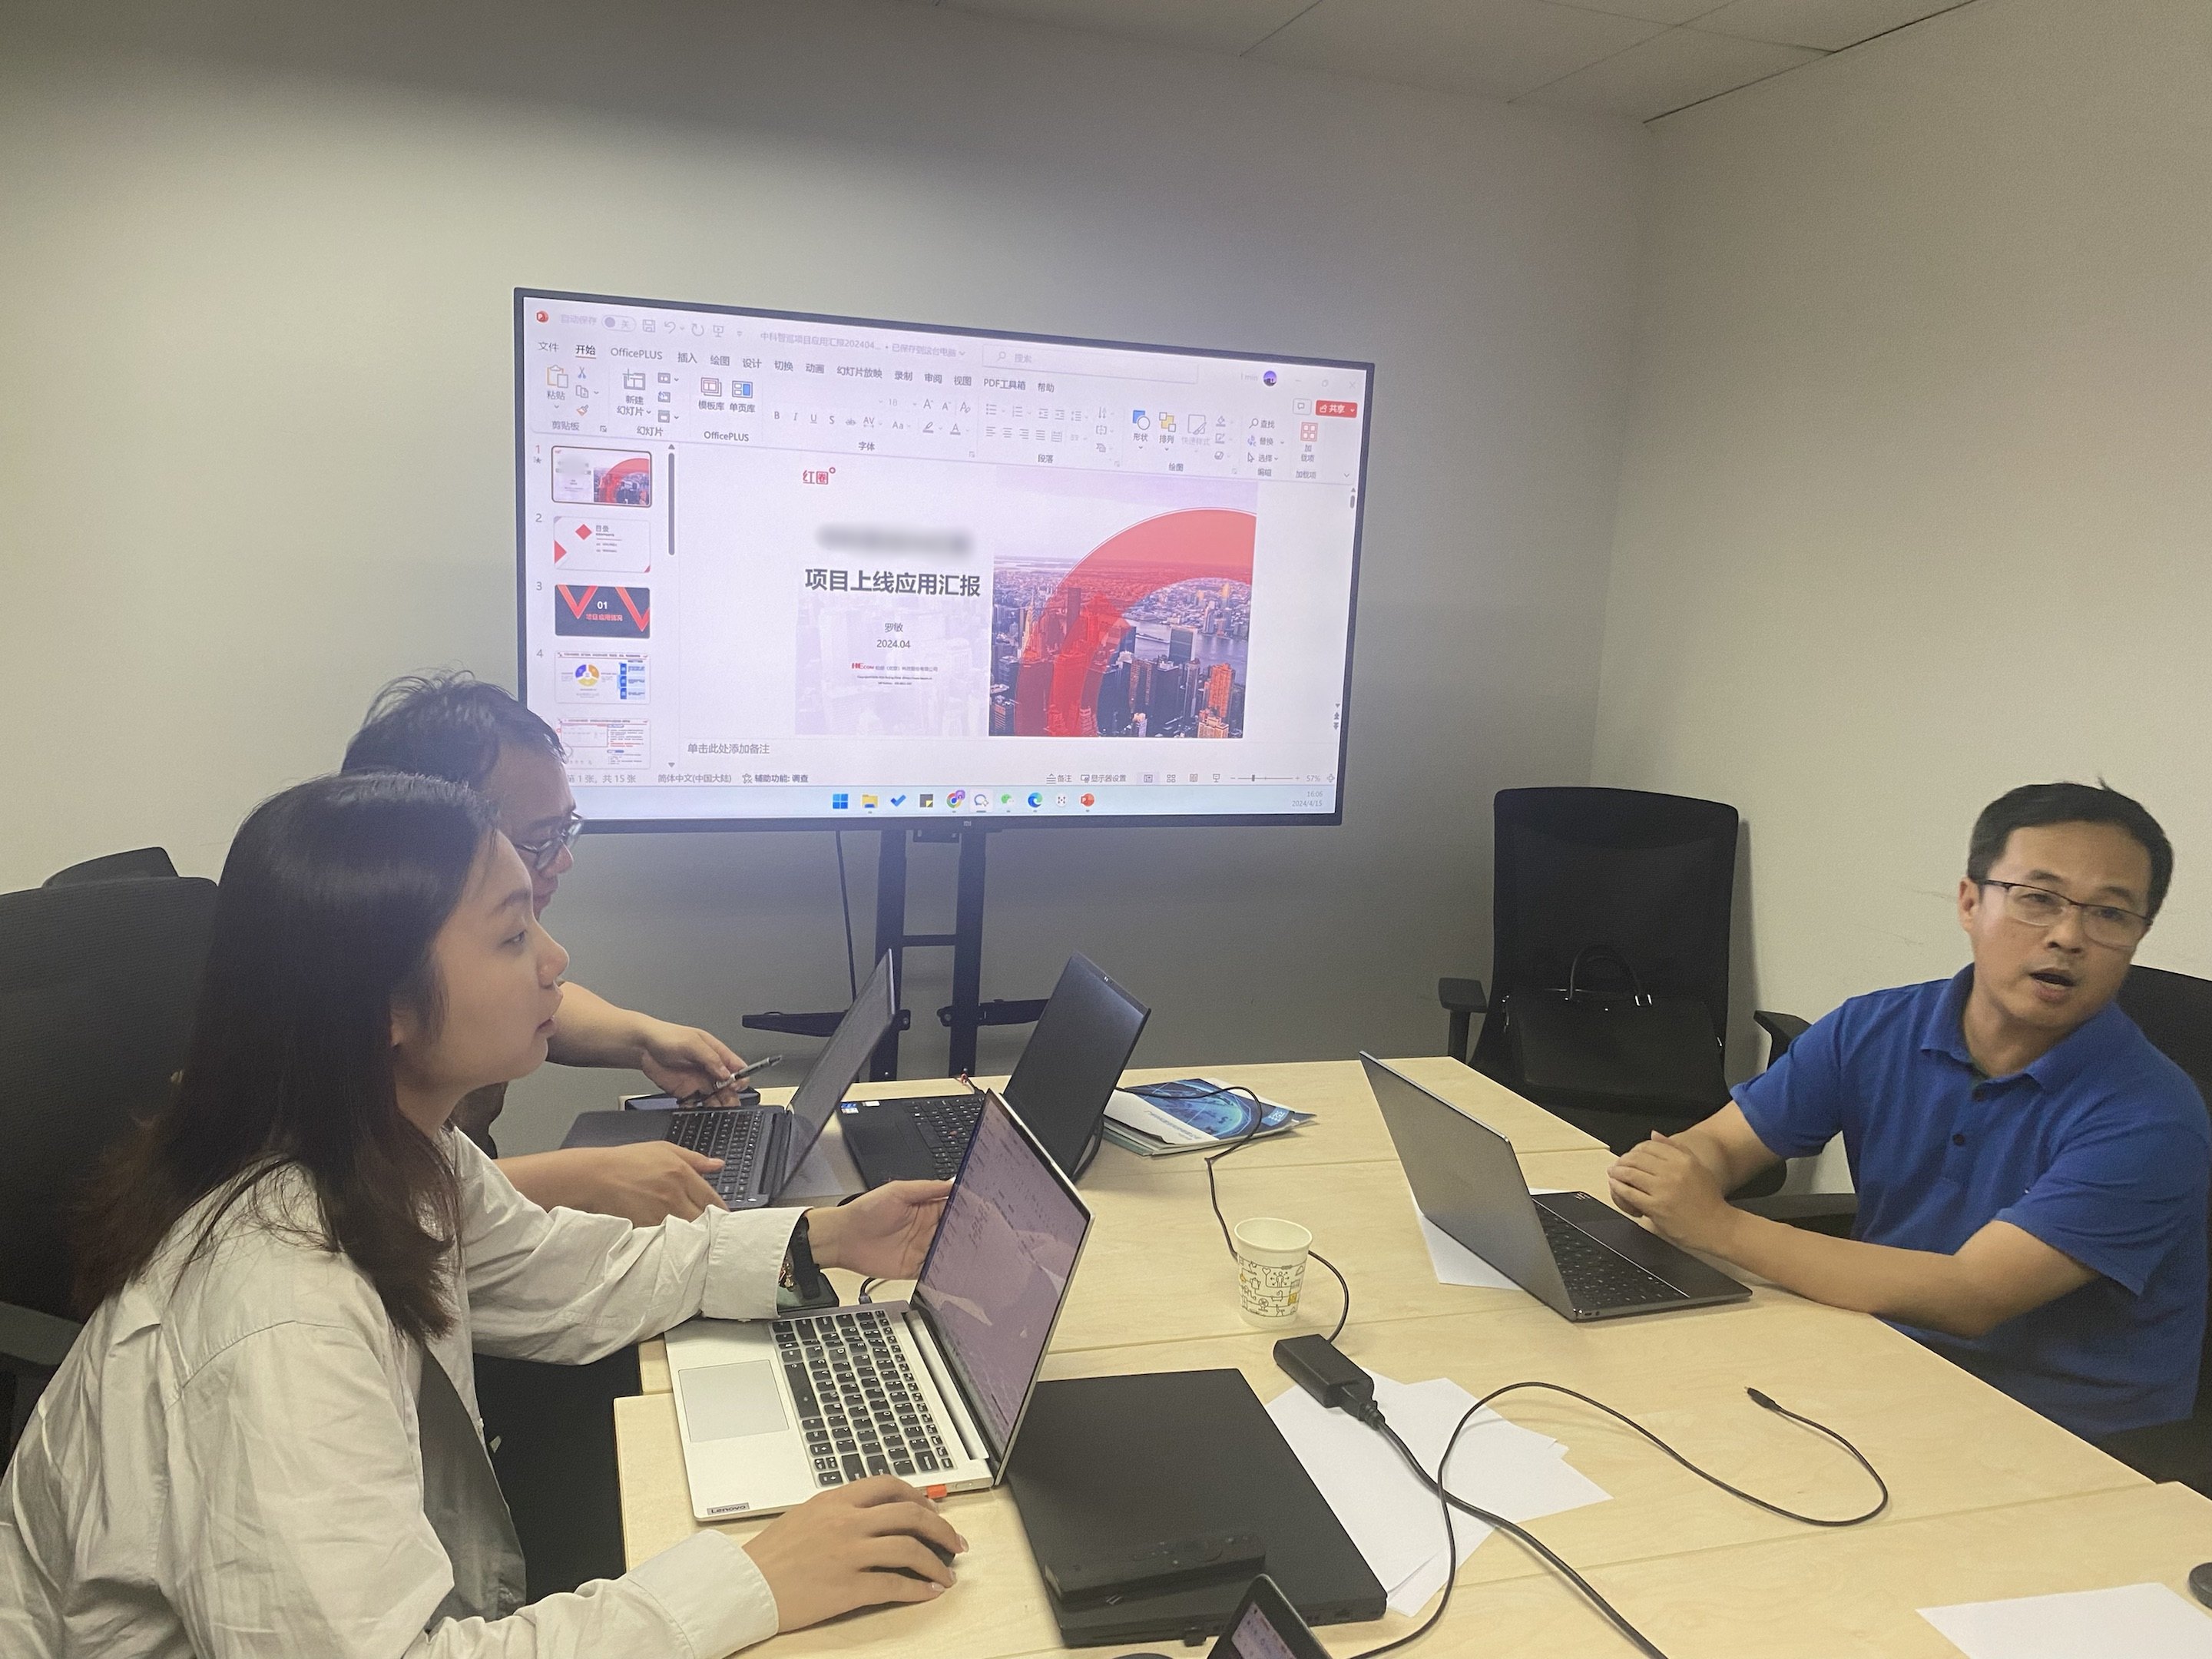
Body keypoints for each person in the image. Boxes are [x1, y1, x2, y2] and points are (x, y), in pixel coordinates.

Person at [0, 771, 962, 1657]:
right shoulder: (279, 1314)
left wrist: (823, 1236)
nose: (556, 959)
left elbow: (573, 1275)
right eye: (511, 935)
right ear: (383, 1005)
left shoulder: (389, 1147)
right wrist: (754, 1580)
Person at [1609, 781, 2208, 1439]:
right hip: (1882, 1356)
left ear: (2139, 935)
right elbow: (1724, 1144)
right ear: (1970, 902)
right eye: (2038, 899)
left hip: (2066, 1429)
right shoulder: (1874, 1027)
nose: (2068, 936)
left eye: (2110, 914)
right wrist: (1670, 1175)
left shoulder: (2153, 1117)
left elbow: (1972, 1295)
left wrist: (1717, 1226)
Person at [343, 671, 739, 1226]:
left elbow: (530, 995)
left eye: (565, 830)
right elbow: (360, 1201)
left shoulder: (438, 970)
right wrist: (583, 1178)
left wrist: (643, 1039)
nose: (562, 860)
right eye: (539, 839)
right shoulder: (334, 1003)